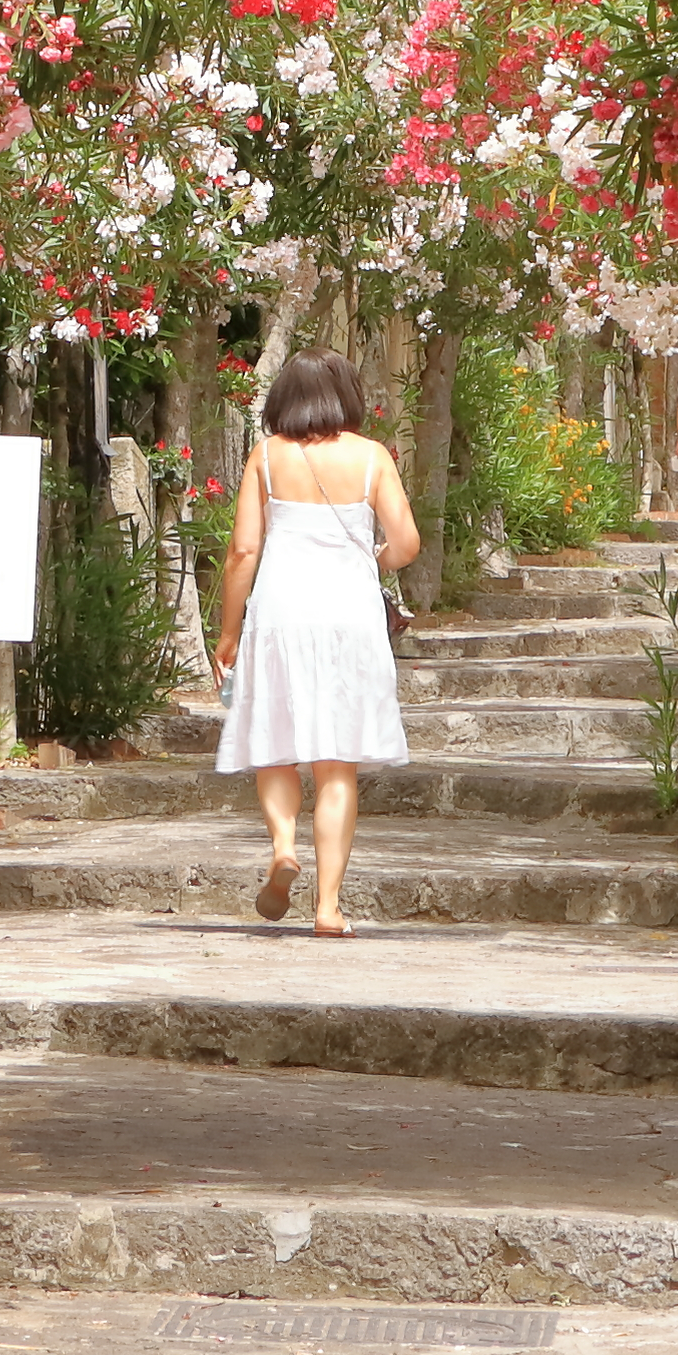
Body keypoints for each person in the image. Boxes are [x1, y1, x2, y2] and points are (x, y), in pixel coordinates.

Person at [209, 349, 417, 933]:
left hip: (280, 612)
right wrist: (372, 557)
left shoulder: (268, 456)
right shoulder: (372, 457)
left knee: (276, 743)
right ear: (346, 395)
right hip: (350, 615)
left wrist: (228, 635)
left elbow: (244, 552)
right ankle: (328, 907)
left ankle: (282, 847)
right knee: (336, 765)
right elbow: (406, 543)